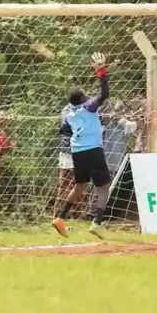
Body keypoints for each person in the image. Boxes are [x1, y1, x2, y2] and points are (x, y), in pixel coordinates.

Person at [53, 52, 111, 237]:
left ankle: (60, 219)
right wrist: (101, 71)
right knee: (103, 187)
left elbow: (64, 130)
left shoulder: (68, 114)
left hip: (78, 152)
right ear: (83, 99)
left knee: (79, 186)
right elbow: (104, 95)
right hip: (93, 150)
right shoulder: (89, 107)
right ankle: (97, 223)